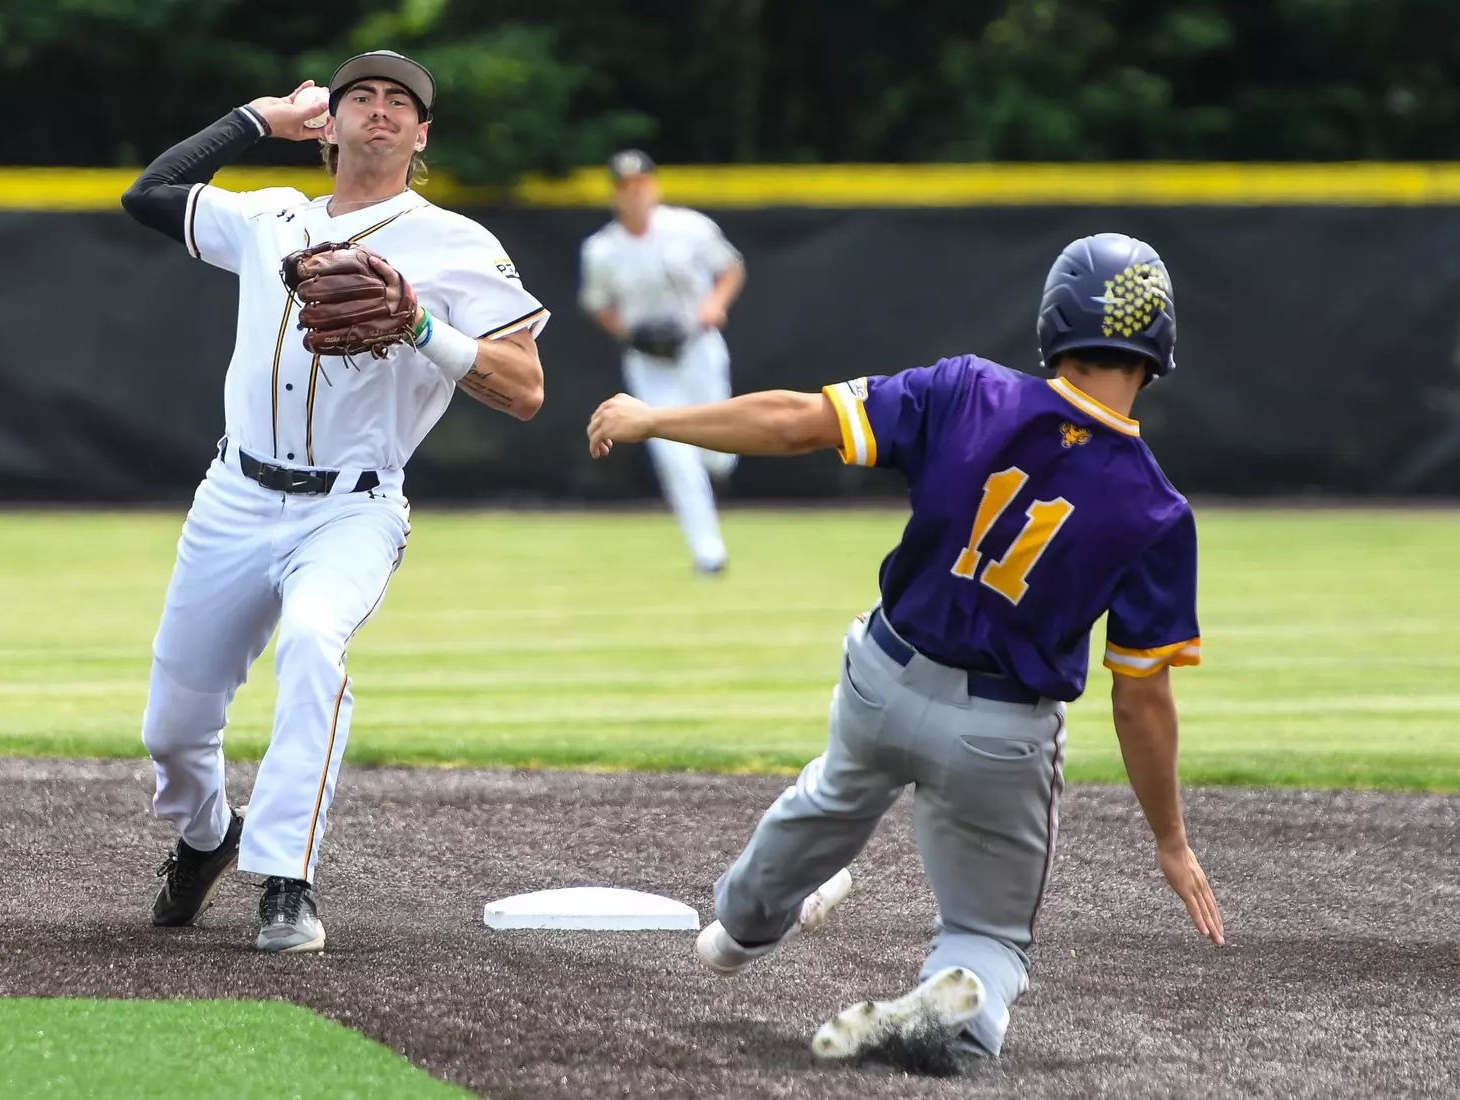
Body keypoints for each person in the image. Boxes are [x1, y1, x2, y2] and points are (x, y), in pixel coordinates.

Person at [586, 233, 1224, 1068]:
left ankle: (741, 926)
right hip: (1000, 730)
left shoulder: (967, 391)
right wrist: (1169, 841)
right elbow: (1140, 699)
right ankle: (957, 999)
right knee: (987, 932)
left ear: (1053, 323)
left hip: (882, 678)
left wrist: (656, 417)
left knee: (827, 798)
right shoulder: (1157, 511)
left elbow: (794, 422)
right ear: (1159, 345)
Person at [120, 51, 548, 952]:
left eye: (401, 102)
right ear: (333, 123)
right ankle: (207, 840)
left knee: (314, 643)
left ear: (421, 134)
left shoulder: (456, 245)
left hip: (352, 508)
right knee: (172, 729)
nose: (381, 111)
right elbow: (149, 194)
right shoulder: (269, 217)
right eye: (362, 98)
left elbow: (524, 388)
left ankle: (287, 879)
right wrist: (256, 120)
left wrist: (425, 328)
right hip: (234, 496)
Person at [578, 150, 746, 575]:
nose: (634, 194)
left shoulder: (689, 228)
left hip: (698, 349)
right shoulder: (602, 249)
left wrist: (715, 303)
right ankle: (709, 554)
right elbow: (599, 305)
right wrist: (629, 332)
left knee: (718, 453)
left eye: (640, 185)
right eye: (625, 188)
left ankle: (719, 470)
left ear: (653, 186)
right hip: (649, 361)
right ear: (615, 195)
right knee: (674, 456)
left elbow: (730, 269)